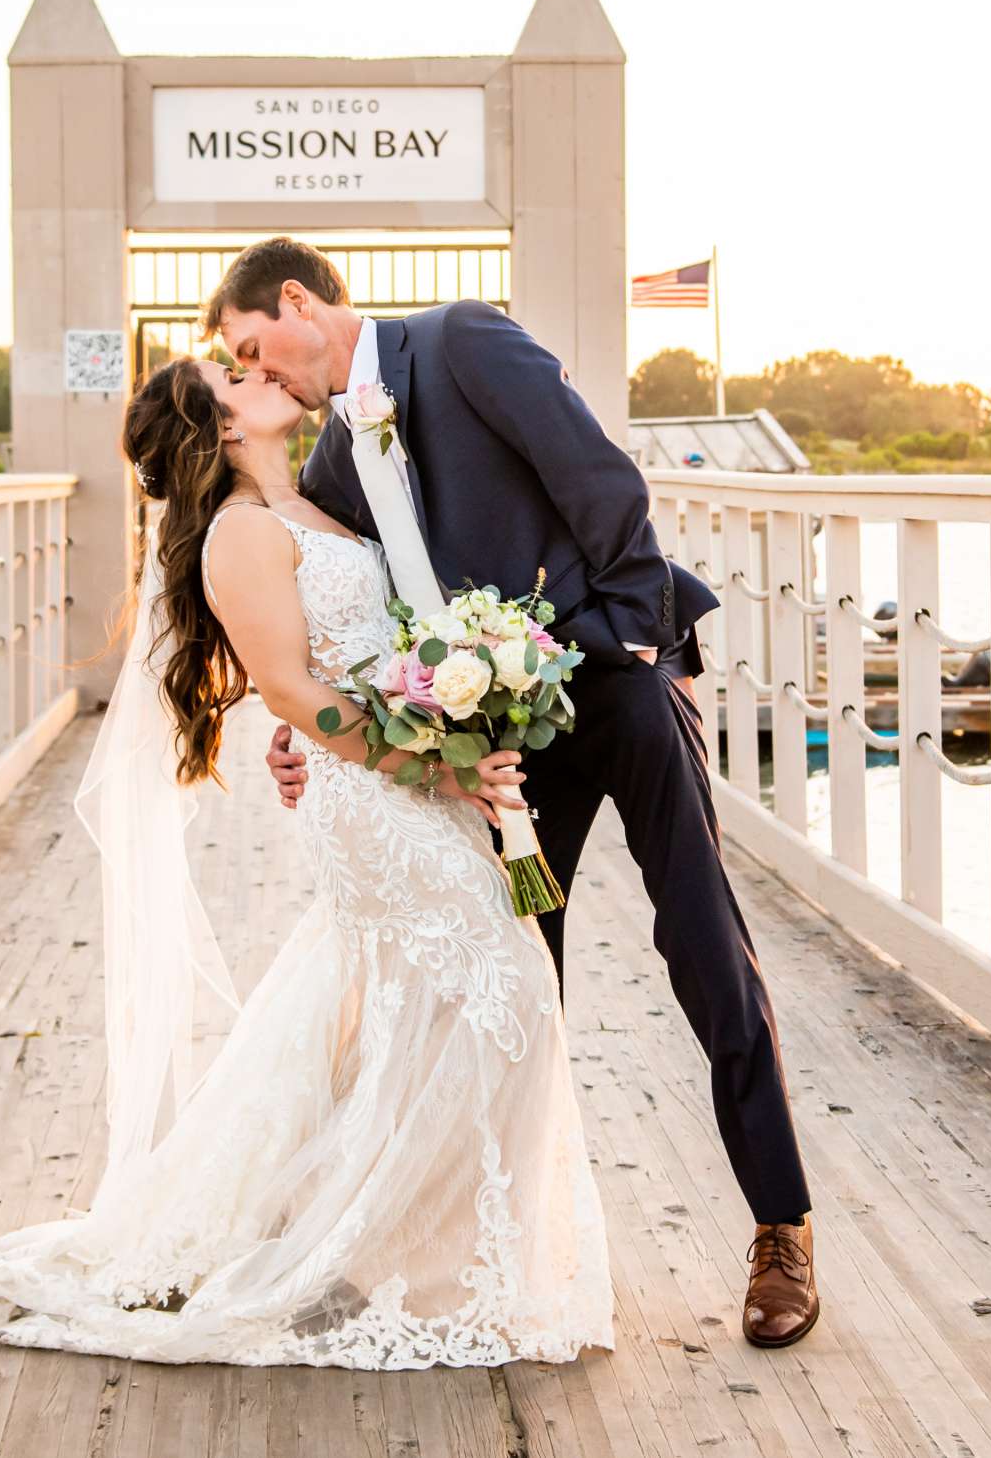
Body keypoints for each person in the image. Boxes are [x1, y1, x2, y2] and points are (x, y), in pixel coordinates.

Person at [0, 354, 612, 1368]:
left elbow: (361, 653)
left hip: (409, 777)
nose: (262, 373)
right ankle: (415, 1258)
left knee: (419, 1003)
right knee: (505, 990)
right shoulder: (240, 534)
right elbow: (292, 688)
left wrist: (462, 714)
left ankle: (424, 1249)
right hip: (374, 795)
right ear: (219, 430)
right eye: (236, 377)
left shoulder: (316, 503)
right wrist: (433, 764)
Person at [214, 237, 820, 1348]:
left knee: (702, 941)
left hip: (622, 689)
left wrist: (629, 645)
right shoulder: (336, 462)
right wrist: (295, 731)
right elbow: (330, 623)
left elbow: (602, 485)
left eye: (259, 348)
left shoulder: (462, 340)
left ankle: (782, 1228)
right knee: (509, 976)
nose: (266, 378)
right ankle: (480, 1246)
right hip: (492, 744)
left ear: (298, 301)